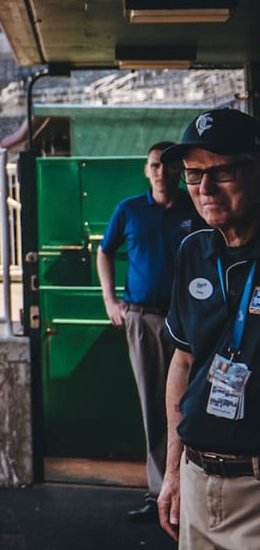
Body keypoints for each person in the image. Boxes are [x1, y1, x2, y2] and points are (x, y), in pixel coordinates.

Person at [160, 108, 260, 550]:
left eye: (220, 172)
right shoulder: (195, 249)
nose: (204, 187)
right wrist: (171, 472)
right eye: (194, 175)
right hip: (198, 479)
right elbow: (185, 359)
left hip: (255, 486)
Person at [99, 141, 200, 521]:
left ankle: (194, 491)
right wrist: (110, 300)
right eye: (155, 165)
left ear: (179, 171)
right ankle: (160, 491)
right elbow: (105, 251)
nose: (162, 172)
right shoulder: (130, 209)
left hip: (190, 321)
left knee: (192, 403)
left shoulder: (195, 208)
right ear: (147, 170)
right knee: (155, 406)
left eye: (169, 166)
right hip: (144, 320)